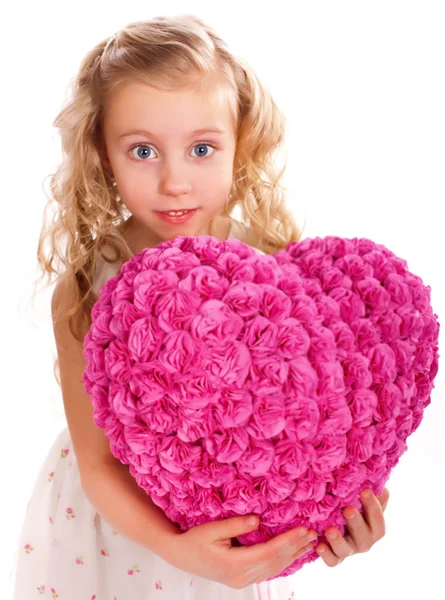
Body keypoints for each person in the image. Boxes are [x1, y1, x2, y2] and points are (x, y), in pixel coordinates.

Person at [11, 13, 389, 600]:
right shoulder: (88, 284)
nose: (175, 181)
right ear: (102, 155)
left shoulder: (273, 271)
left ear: (240, 145)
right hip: (119, 530)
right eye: (142, 150)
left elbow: (314, 426)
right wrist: (175, 549)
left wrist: (335, 519)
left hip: (229, 526)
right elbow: (98, 465)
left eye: (201, 148)